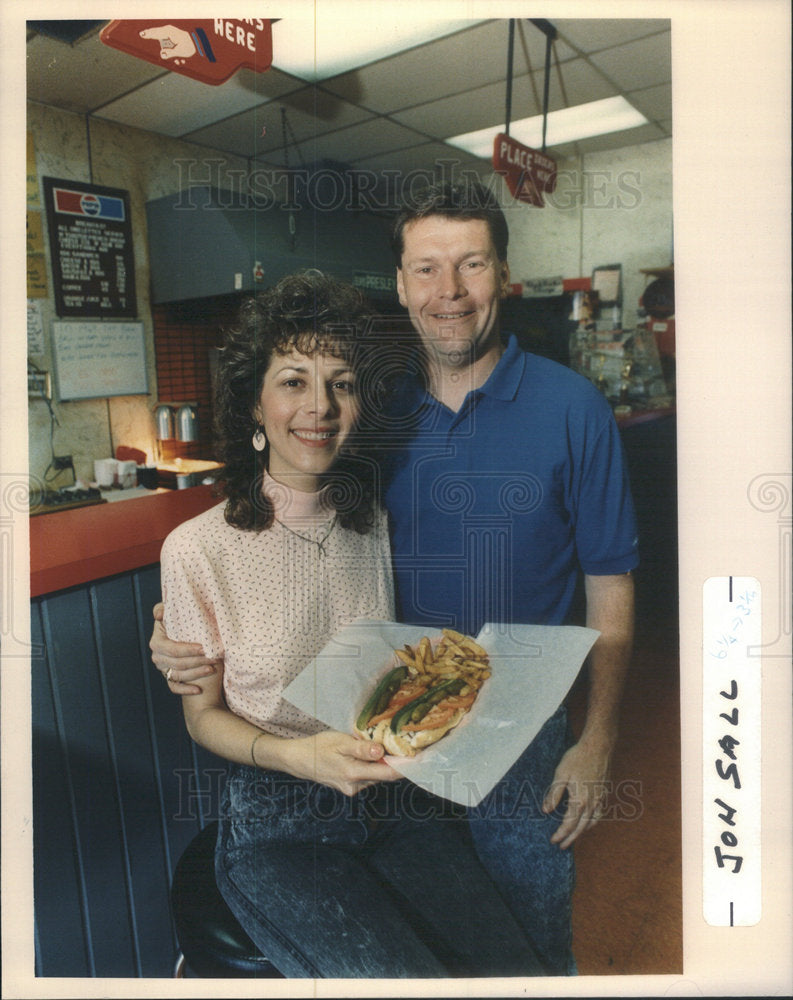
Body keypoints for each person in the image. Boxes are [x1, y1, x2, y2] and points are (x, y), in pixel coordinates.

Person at [152, 183, 639, 976]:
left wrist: (601, 734)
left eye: (470, 264)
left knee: (526, 953)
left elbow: (611, 597)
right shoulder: (377, 419)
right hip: (390, 746)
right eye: (425, 269)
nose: (448, 293)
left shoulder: (573, 409)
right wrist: (180, 632)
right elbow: (269, 533)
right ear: (403, 284)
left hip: (517, 729)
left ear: (503, 274)